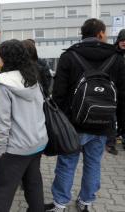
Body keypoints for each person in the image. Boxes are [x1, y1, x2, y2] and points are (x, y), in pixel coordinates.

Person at [45, 19, 125, 212]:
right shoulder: (117, 58)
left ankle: (60, 204)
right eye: (105, 33)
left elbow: (59, 95)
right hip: (103, 123)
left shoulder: (70, 56)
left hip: (74, 124)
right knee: (93, 163)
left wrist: (62, 122)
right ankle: (85, 202)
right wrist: (118, 125)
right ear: (100, 34)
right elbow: (122, 95)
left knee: (67, 163)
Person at [0, 39, 47, 212]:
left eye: (0, 57)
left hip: (14, 148)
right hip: (37, 142)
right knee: (33, 185)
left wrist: (0, 150)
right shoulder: (32, 77)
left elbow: (2, 121)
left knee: (0, 194)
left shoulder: (1, 82)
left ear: (7, 59)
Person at [105, 28, 125, 155]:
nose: (124, 42)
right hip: (113, 93)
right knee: (112, 119)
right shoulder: (112, 54)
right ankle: (110, 143)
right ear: (118, 41)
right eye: (122, 40)